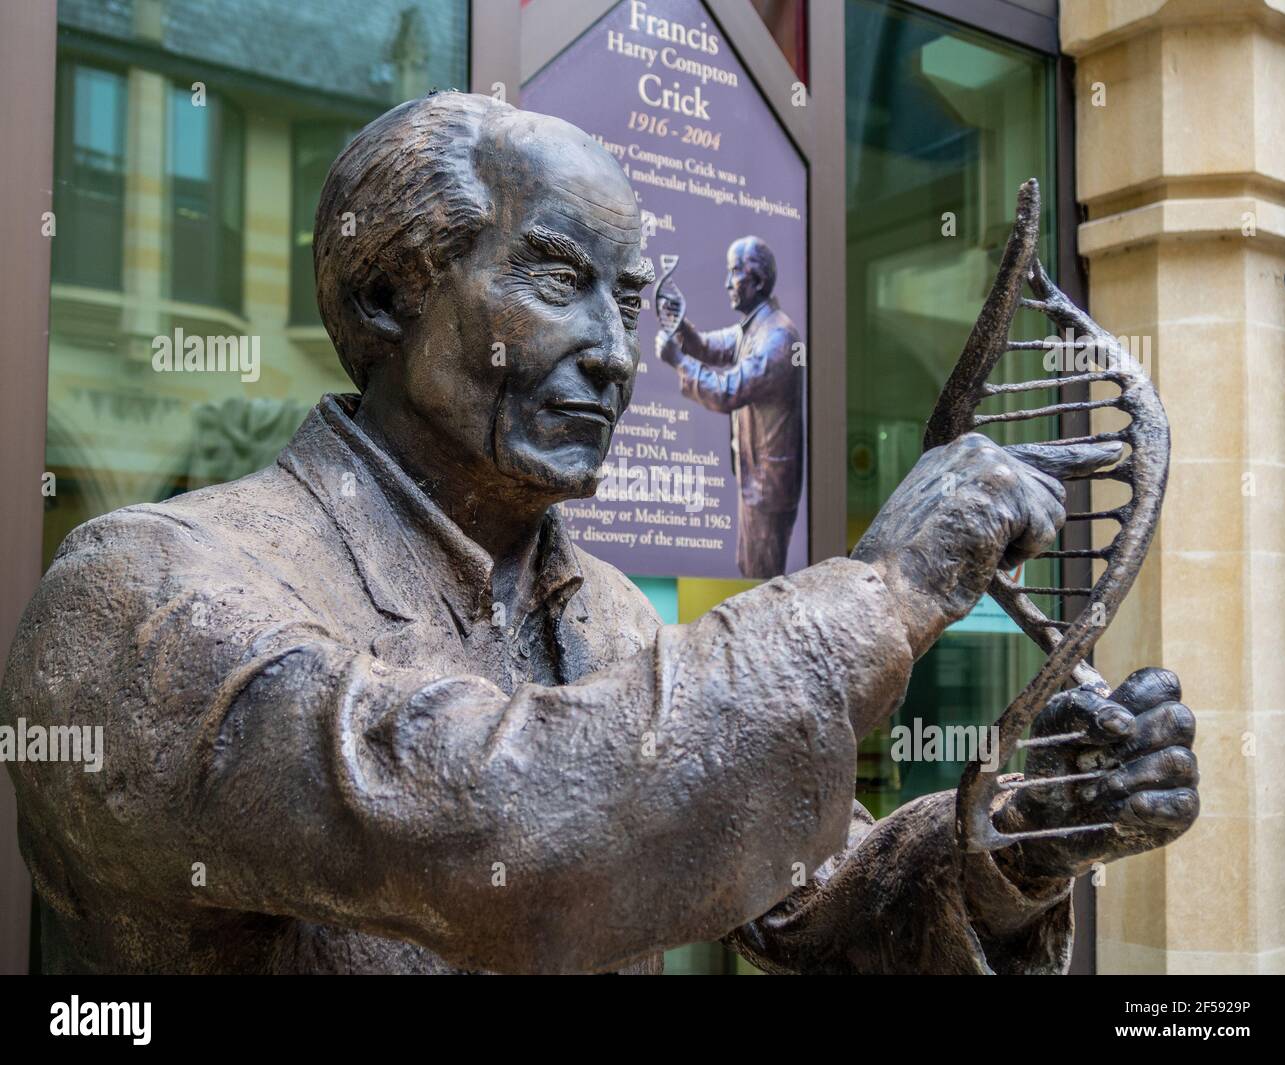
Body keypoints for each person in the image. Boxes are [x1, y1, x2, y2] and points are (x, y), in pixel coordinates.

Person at [0, 92, 1199, 974]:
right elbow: (510, 832)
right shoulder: (146, 591)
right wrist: (879, 593)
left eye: (629, 303)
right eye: (558, 280)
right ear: (386, 295)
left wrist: (1027, 833)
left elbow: (813, 898)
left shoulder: (608, 617)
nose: (620, 356)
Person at [656, 237, 803, 578]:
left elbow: (727, 391)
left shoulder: (777, 338)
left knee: (761, 580)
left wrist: (678, 360)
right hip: (758, 477)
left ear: (759, 281)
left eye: (734, 272)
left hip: (768, 488)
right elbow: (709, 346)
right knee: (750, 567)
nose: (726, 283)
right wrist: (682, 326)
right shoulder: (754, 327)